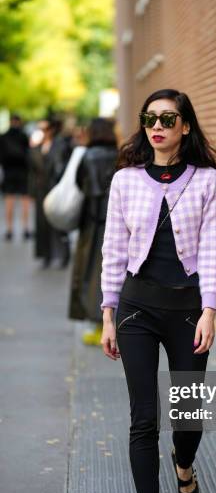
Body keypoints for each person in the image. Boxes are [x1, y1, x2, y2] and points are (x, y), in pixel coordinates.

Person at [100, 89, 216, 493]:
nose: (158, 126)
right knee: (143, 419)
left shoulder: (207, 181)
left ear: (185, 127)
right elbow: (113, 247)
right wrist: (108, 313)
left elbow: (212, 248)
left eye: (168, 118)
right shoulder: (126, 181)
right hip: (136, 308)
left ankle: (185, 464)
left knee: (188, 416)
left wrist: (210, 310)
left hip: (188, 309)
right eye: (150, 118)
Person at [68, 118, 118, 344]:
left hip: (93, 222)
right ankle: (112, 323)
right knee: (114, 270)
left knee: (90, 272)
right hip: (116, 222)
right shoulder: (121, 155)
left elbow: (80, 184)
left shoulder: (87, 156)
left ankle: (97, 325)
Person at [29, 118, 72, 268]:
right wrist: (33, 148)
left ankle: (64, 255)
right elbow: (33, 169)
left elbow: (61, 167)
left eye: (44, 129)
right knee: (42, 224)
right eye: (39, 129)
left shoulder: (60, 145)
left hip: (56, 189)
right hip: (41, 190)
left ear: (51, 130)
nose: (41, 132)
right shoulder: (36, 147)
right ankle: (46, 255)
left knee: (58, 222)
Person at [0, 114, 32, 241]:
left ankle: (9, 229)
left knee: (9, 200)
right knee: (25, 200)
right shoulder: (24, 136)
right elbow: (29, 154)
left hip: (8, 172)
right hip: (23, 172)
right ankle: (25, 228)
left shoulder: (3, 137)